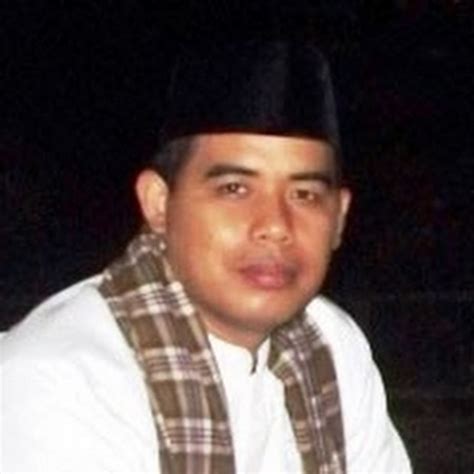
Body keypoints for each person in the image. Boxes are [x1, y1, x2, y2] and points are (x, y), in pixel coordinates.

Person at [1, 39, 411, 473]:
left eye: (305, 194)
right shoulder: (61, 380)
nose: (275, 224)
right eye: (235, 189)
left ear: (340, 217)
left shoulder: (332, 346)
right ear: (159, 203)